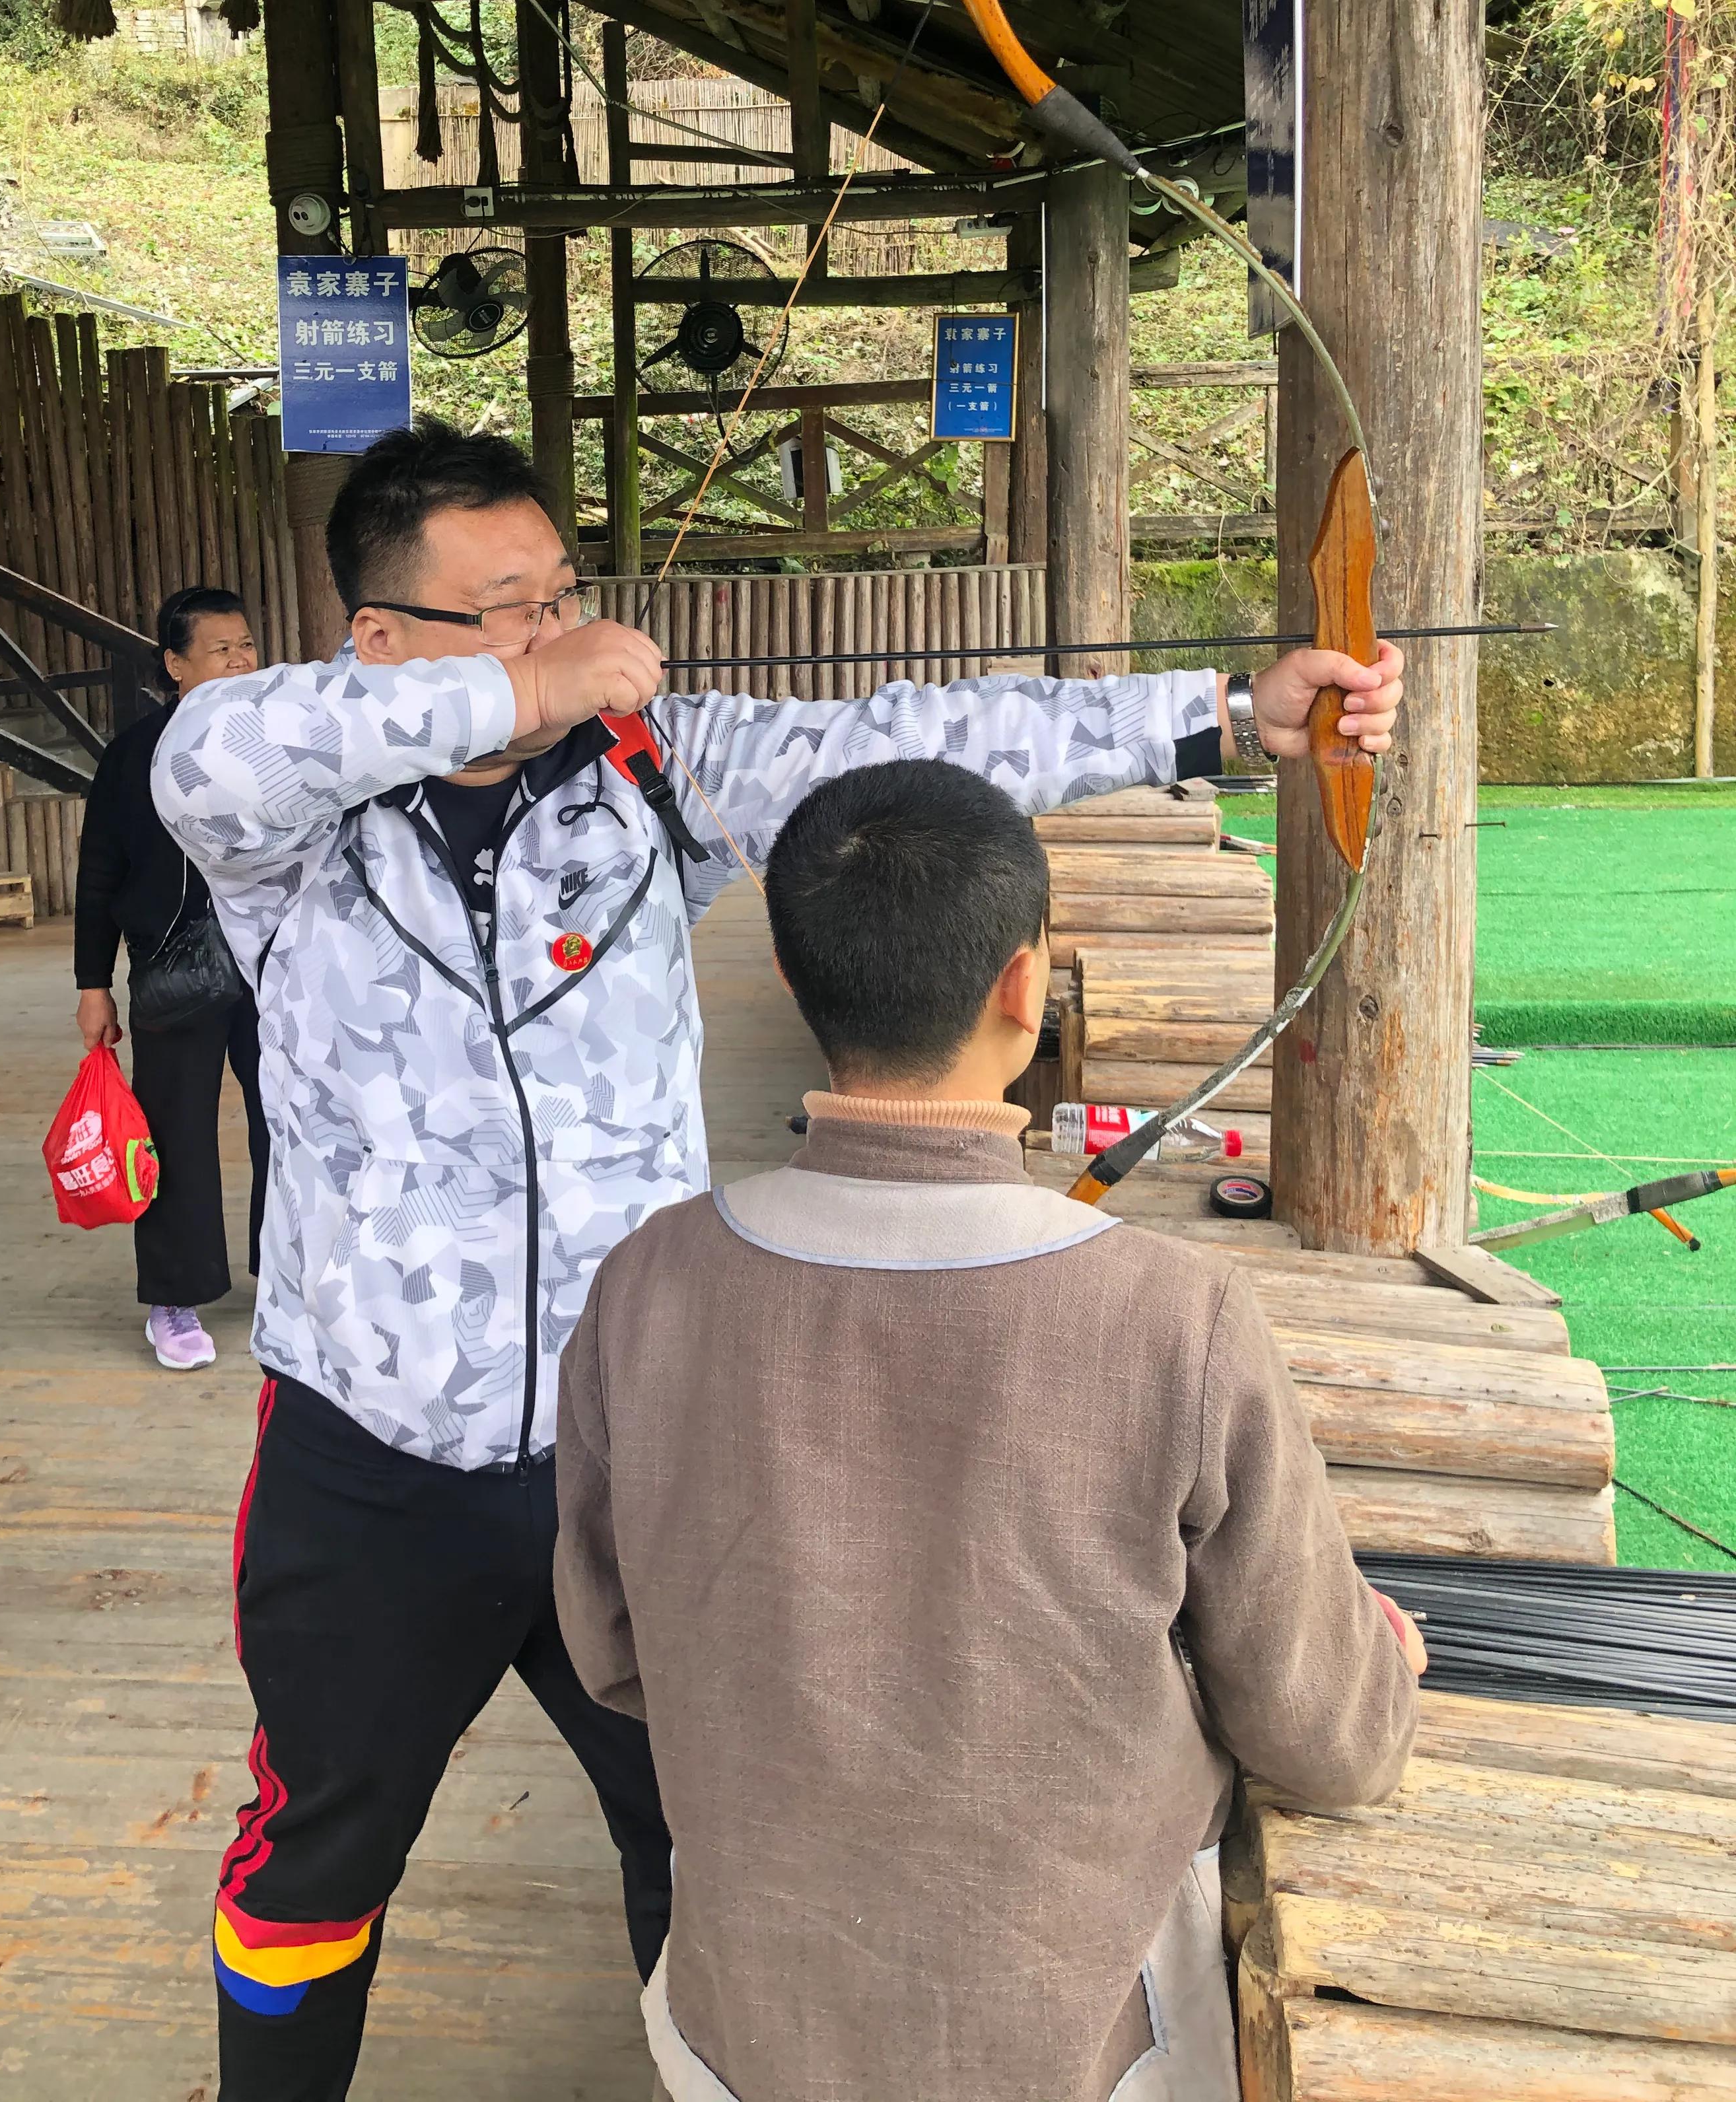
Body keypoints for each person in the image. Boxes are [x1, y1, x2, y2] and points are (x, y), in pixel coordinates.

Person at [149, 416, 1403, 2097]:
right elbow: (207, 752)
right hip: (367, 1458)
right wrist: (535, 681)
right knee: (311, 1866)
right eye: (505, 604)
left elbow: (909, 747)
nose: (563, 632)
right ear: (378, 639)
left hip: (647, 1437)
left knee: (704, 1838)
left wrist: (1216, 714)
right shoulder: (287, 822)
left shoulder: (646, 775)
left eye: (566, 594)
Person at [555, 758, 1427, 2102]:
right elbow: (1325, 1736)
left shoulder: (646, 1283)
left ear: (792, 981)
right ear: (1025, 985)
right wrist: (1381, 1665)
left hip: (748, 2014)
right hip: (1085, 2032)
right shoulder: (1171, 1312)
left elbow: (612, 1653)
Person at [73, 585, 269, 1373]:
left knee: (291, 1123)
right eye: (220, 649)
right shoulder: (133, 757)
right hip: (173, 974)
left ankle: (286, 1277)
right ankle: (174, 1295)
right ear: (175, 664)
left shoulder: (281, 745)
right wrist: (94, 983)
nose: (240, 661)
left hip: (274, 968)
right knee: (173, 1137)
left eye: (248, 645)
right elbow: (98, 876)